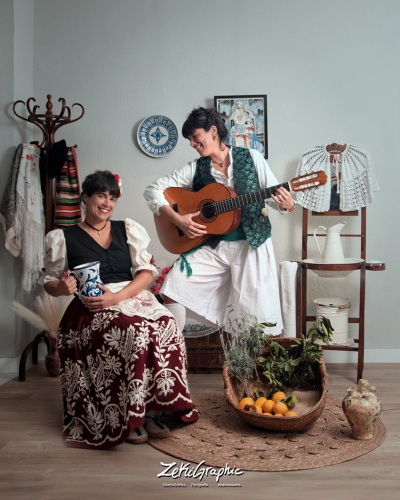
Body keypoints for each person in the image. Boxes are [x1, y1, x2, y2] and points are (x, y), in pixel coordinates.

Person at [40, 170, 198, 450]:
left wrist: (119, 297)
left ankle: (153, 410)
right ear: (85, 197)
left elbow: (147, 273)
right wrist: (61, 289)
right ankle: (130, 417)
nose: (107, 203)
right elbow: (50, 282)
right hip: (92, 305)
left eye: (112, 198)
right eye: (101, 195)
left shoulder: (127, 228)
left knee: (167, 325)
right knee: (134, 332)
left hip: (131, 296)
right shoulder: (63, 237)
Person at [143, 107, 295, 335]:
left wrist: (286, 204)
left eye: (195, 137)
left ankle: (248, 367)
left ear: (213, 130)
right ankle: (174, 351)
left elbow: (275, 200)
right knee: (175, 284)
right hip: (216, 245)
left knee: (254, 319)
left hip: (252, 245)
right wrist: (178, 219)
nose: (192, 143)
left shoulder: (252, 157)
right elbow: (153, 189)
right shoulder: (195, 168)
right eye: (189, 139)